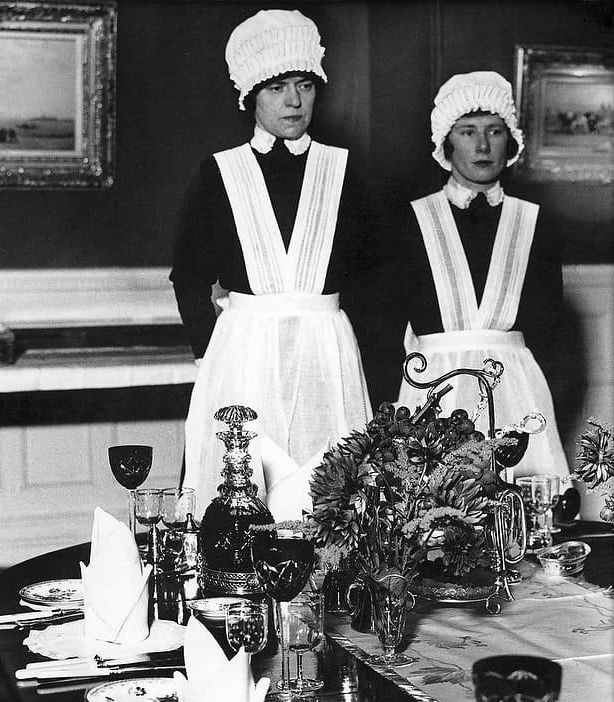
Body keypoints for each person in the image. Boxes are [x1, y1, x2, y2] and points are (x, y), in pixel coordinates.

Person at [171, 9, 375, 517]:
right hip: (245, 354)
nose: (293, 101)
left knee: (334, 500)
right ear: (250, 95)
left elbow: (374, 278)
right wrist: (213, 357)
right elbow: (188, 276)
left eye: (304, 85)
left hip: (327, 354)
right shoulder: (220, 173)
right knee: (239, 498)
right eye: (277, 87)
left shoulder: (345, 170)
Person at [391, 71, 569, 479]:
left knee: (522, 502)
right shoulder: (412, 219)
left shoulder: (534, 221)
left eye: (494, 131)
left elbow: (549, 331)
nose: (483, 145)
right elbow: (388, 324)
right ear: (447, 142)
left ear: (511, 141)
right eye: (468, 132)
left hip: (516, 394)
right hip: (434, 391)